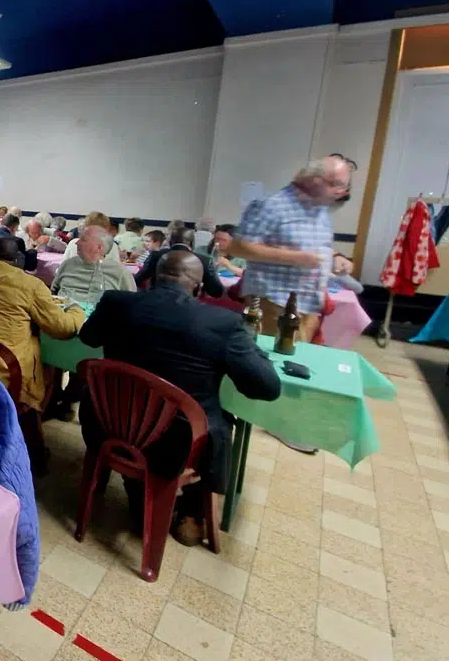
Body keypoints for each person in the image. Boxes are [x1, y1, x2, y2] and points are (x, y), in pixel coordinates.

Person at [78, 251, 280, 544]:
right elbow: (266, 387)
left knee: (148, 415)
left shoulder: (115, 302)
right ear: (198, 288)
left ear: (153, 277)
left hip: (110, 425)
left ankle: (139, 496)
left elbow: (88, 338)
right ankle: (191, 511)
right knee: (218, 421)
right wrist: (248, 344)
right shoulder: (222, 323)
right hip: (179, 443)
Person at [228, 156, 352, 341]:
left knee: (295, 363)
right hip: (273, 302)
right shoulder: (271, 204)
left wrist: (337, 257)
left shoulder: (320, 210)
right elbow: (239, 247)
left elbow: (312, 245)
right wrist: (296, 258)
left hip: (308, 302)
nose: (340, 192)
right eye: (336, 184)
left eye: (344, 187)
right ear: (314, 179)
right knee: (271, 364)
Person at [0, 236, 86, 407]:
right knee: (47, 365)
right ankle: (43, 410)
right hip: (6, 371)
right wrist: (76, 310)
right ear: (18, 260)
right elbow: (61, 328)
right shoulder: (30, 284)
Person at [52, 226, 137, 303]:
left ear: (99, 247)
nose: (77, 243)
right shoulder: (68, 264)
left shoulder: (120, 272)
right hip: (64, 315)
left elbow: (131, 302)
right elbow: (53, 291)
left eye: (83, 240)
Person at [136, 227, 223, 297]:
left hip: (155, 300)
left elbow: (138, 279)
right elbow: (216, 291)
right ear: (192, 243)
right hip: (189, 306)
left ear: (170, 241)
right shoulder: (204, 260)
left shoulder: (156, 255)